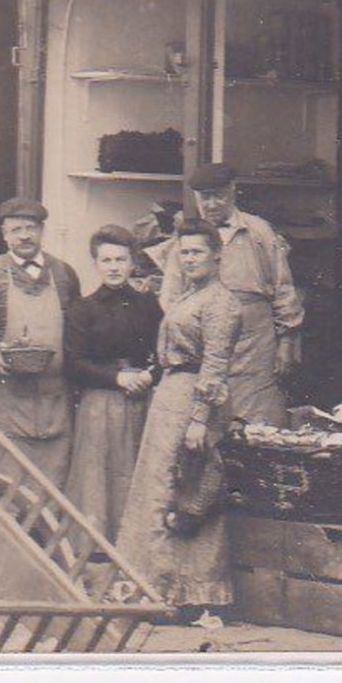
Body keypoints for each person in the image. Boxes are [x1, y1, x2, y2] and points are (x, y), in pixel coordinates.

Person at [116, 218, 242, 612]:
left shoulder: (221, 302)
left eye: (197, 251)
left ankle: (187, 594)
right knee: (158, 488)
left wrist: (201, 418)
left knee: (185, 486)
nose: (189, 259)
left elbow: (216, 363)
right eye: (183, 252)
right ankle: (153, 587)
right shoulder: (190, 295)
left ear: (217, 255)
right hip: (171, 394)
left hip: (194, 398)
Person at [158, 162, 304, 428]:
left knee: (260, 422)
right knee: (208, 422)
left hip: (255, 344)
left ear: (232, 190)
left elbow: (283, 288)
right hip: (206, 342)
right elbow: (170, 298)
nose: (212, 204)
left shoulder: (259, 231)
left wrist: (287, 342)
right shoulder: (188, 238)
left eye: (218, 195)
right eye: (205, 197)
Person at [0, 197, 82, 486]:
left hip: (55, 397)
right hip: (8, 396)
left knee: (55, 480)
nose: (24, 235)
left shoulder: (64, 274)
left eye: (31, 228)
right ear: (4, 234)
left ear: (41, 231)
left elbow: (77, 333)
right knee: (8, 480)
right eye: (17, 229)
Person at [63, 224, 163, 542]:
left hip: (140, 400)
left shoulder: (149, 305)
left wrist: (149, 375)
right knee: (98, 473)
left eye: (120, 259)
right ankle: (95, 546)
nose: (114, 267)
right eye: (106, 260)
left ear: (132, 262)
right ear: (96, 264)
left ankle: (133, 544)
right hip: (100, 402)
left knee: (135, 469)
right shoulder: (83, 309)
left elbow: (165, 352)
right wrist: (117, 378)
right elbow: (73, 362)